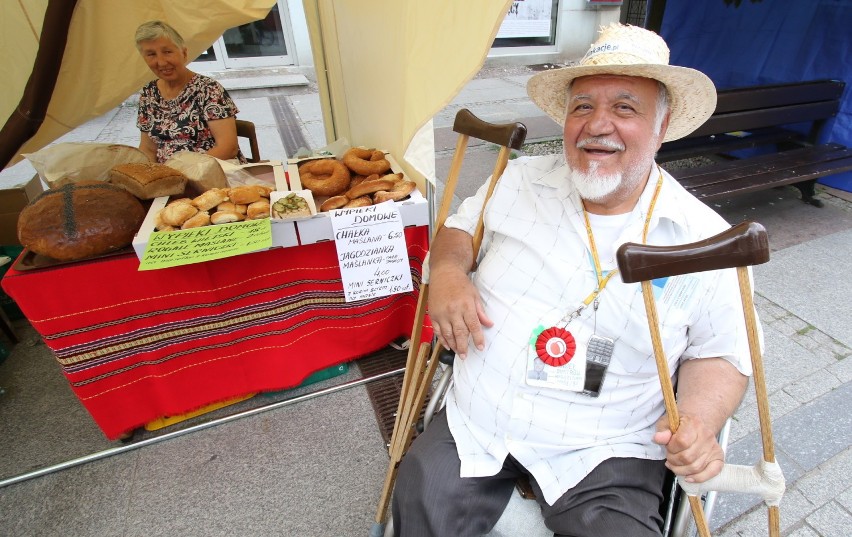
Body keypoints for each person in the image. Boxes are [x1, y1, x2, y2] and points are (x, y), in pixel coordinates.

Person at [391, 23, 760, 537]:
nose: (597, 125)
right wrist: (449, 272)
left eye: (625, 108)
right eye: (582, 106)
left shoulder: (703, 240)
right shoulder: (517, 180)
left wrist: (698, 420)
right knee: (419, 503)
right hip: (481, 423)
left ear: (662, 123)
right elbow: (458, 231)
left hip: (607, 446)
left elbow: (721, 352)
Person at [134, 20, 245, 164]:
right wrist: (153, 177)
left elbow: (228, 148)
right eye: (151, 54)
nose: (161, 62)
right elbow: (148, 149)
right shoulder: (149, 93)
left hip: (210, 172)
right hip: (168, 178)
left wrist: (181, 173)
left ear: (184, 53)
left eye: (167, 52)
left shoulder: (208, 89)